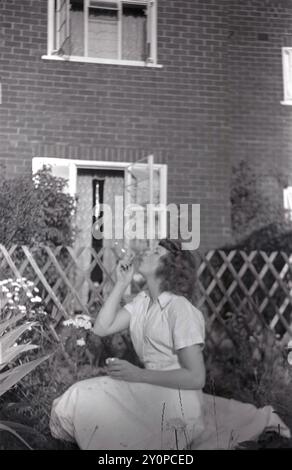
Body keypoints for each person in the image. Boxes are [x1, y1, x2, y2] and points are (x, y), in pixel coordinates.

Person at [50, 239, 290, 450]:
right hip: (148, 391)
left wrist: (138, 375)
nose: (145, 251)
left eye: (156, 251)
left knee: (91, 402)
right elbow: (101, 328)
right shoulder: (142, 303)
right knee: (82, 395)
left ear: (169, 267)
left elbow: (196, 378)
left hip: (177, 402)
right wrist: (122, 283)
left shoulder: (180, 309)